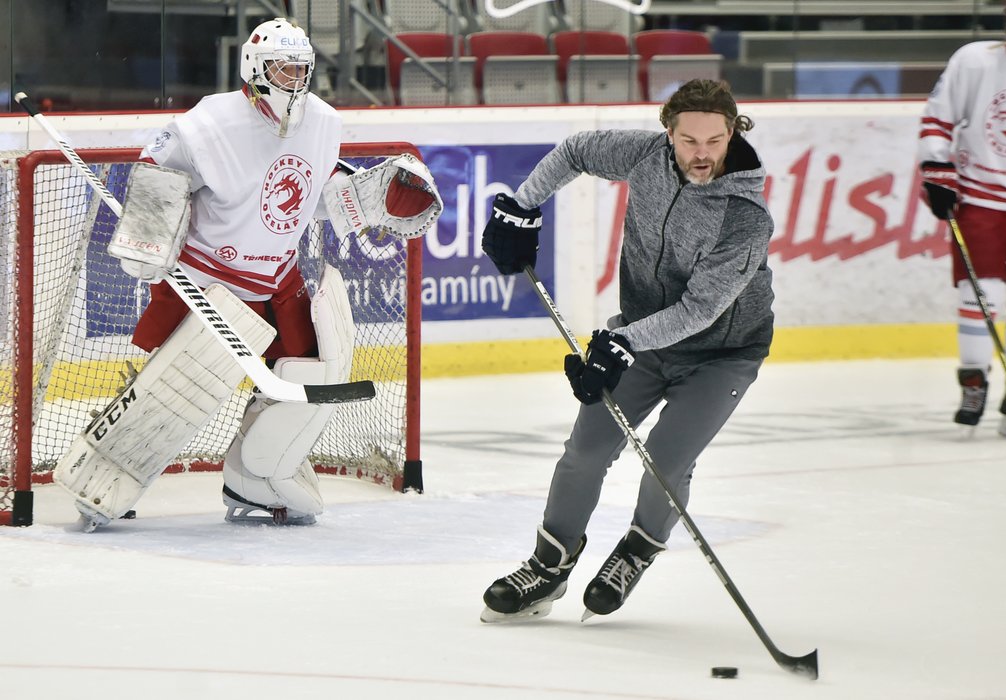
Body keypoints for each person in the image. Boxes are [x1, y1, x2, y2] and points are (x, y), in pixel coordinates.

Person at [51, 17, 440, 531]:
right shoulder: (207, 124)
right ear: (255, 69)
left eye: (303, 70)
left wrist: (370, 197)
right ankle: (105, 478)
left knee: (316, 368)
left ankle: (255, 475)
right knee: (174, 389)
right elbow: (160, 173)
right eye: (283, 70)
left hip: (276, 277)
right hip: (205, 280)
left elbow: (306, 198)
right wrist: (149, 231)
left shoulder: (323, 122)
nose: (295, 81)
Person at [478, 79, 775, 622]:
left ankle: (637, 549)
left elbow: (700, 310)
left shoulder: (744, 217)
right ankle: (549, 565)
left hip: (721, 354)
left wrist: (621, 344)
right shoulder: (644, 155)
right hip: (641, 336)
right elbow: (575, 152)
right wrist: (523, 207)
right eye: (689, 140)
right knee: (585, 452)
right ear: (669, 131)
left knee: (666, 460)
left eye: (715, 140)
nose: (702, 154)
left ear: (732, 132)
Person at [918, 0, 1006, 438]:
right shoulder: (974, 60)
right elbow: (938, 117)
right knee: (981, 294)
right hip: (982, 193)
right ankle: (973, 385)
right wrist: (937, 171)